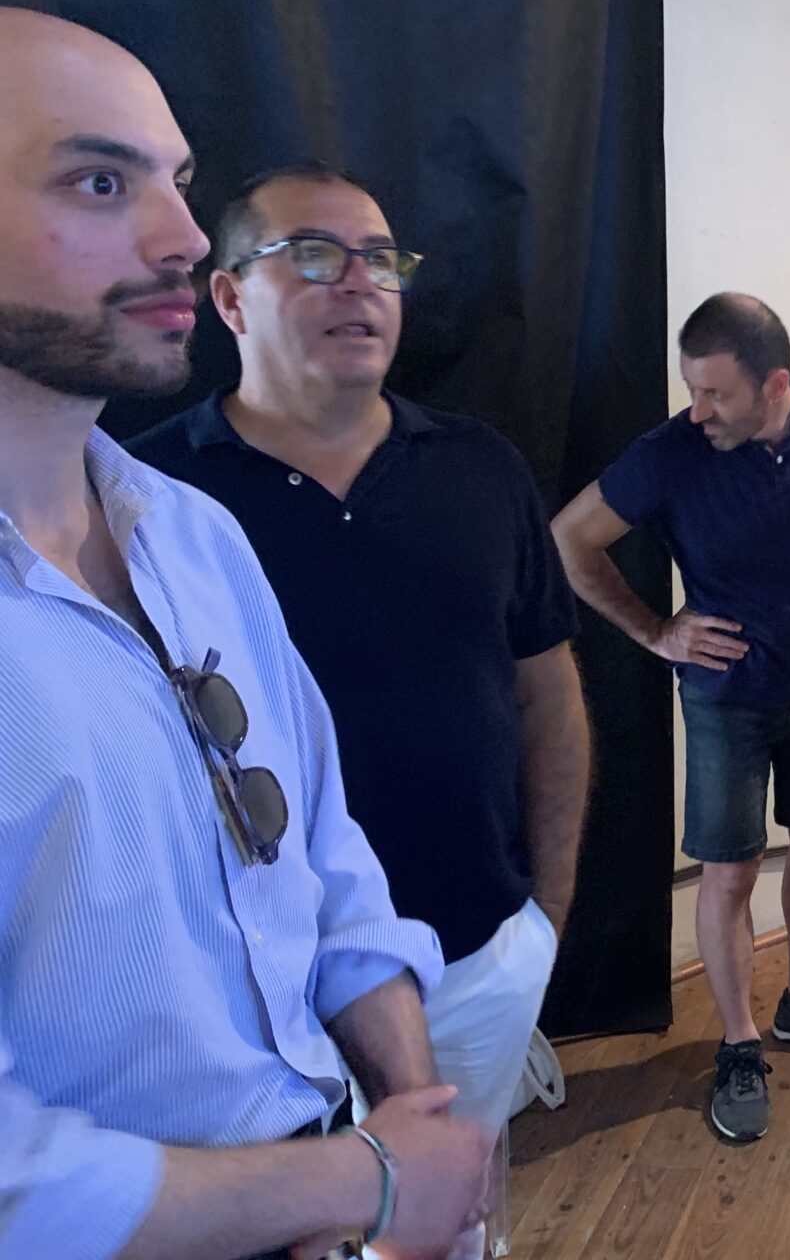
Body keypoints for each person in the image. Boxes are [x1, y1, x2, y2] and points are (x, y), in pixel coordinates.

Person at [0, 9, 493, 1259]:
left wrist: (406, 1116)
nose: (178, 238)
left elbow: (319, 851)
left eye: (176, 183)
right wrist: (357, 1180)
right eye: (100, 182)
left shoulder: (193, 537)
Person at [130, 162, 590, 1175]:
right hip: (254, 998)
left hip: (476, 958)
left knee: (450, 1213)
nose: (360, 282)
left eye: (382, 260)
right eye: (315, 255)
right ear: (228, 297)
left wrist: (544, 922)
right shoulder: (147, 498)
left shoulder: (481, 467)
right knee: (296, 1231)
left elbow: (547, 695)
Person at [552, 293, 790, 1144]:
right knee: (731, 874)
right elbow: (567, 539)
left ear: (775, 384)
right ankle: (740, 1043)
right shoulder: (671, 451)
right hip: (723, 698)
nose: (697, 410)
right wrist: (653, 630)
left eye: (715, 393)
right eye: (691, 389)